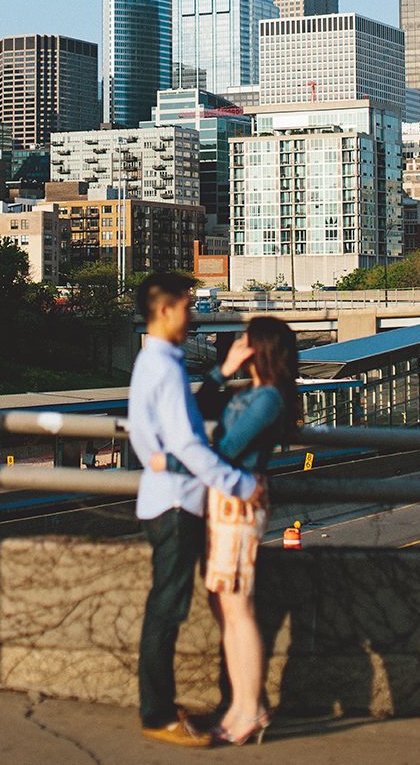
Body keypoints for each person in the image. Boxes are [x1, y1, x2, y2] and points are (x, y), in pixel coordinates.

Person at [148, 316, 298, 746]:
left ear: (261, 348)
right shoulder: (250, 391)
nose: (238, 342)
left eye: (246, 341)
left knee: (237, 609)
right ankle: (241, 705)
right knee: (223, 606)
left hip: (240, 502)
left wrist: (169, 463)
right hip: (223, 500)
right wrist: (221, 371)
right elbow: (197, 409)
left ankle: (251, 708)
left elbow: (226, 452)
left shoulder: (268, 398)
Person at [128, 272, 259, 749]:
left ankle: (165, 706)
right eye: (188, 306)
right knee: (167, 610)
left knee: (170, 605)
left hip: (166, 498)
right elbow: (186, 441)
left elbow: (167, 437)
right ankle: (158, 714)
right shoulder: (162, 367)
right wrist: (238, 483)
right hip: (177, 504)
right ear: (165, 310)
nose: (194, 315)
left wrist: (223, 372)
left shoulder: (155, 361)